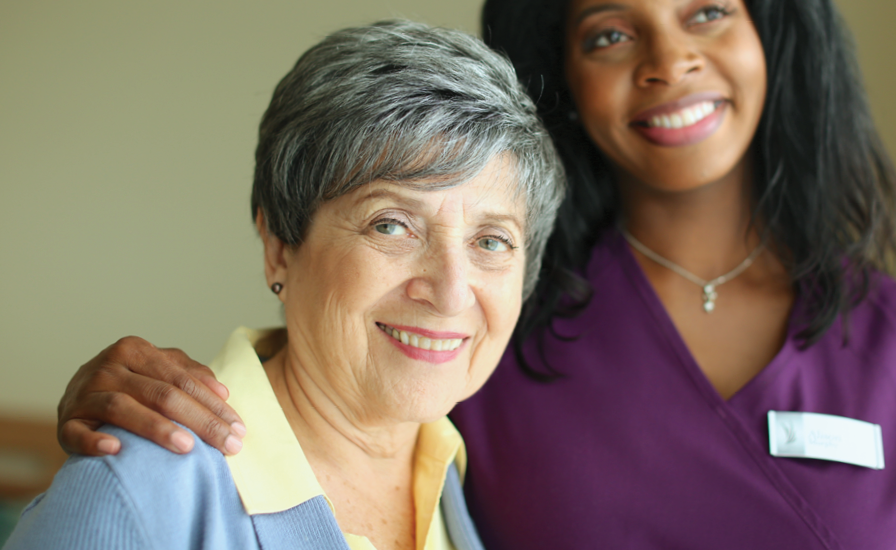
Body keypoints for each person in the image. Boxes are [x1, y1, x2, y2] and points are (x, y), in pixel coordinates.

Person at [51, 0, 896, 548]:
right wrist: (126, 427)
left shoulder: (885, 338)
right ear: (564, 73)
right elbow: (332, 384)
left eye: (709, 9)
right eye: (609, 30)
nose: (668, 61)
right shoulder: (512, 334)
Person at [4, 20, 565, 550]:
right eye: (391, 224)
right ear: (279, 246)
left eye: (492, 241)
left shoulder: (453, 473)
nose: (450, 292)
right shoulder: (134, 492)